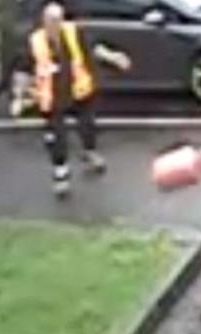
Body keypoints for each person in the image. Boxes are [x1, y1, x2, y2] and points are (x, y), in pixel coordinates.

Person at [10, 1, 129, 197]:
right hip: (52, 99)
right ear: (44, 22)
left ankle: (89, 153)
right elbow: (22, 71)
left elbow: (93, 48)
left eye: (58, 20)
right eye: (51, 21)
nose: (55, 26)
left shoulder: (74, 33)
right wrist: (18, 97)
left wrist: (113, 57)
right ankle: (61, 174)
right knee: (57, 137)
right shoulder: (35, 42)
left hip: (79, 91)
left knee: (88, 125)